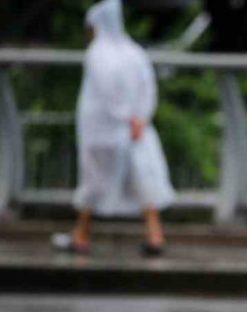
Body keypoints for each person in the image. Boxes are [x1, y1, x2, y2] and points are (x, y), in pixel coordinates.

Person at [52, 0, 175, 258]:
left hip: (105, 130)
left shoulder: (98, 53)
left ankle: (82, 235)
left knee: (93, 181)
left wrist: (126, 117)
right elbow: (148, 86)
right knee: (144, 180)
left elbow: (107, 91)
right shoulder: (134, 52)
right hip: (136, 130)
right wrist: (140, 117)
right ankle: (154, 235)